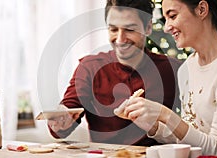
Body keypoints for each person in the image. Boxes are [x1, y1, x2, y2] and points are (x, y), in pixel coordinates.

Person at [118, 0, 217, 157]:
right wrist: (152, 125)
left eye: (172, 16)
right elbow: (192, 137)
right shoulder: (187, 68)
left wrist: (165, 115)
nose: (166, 27)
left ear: (201, 9)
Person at [47, 0, 181, 146]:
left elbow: (195, 125)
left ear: (148, 27)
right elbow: (64, 121)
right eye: (113, 30)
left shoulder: (173, 69)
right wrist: (61, 121)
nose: (120, 39)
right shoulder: (89, 68)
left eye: (130, 30)